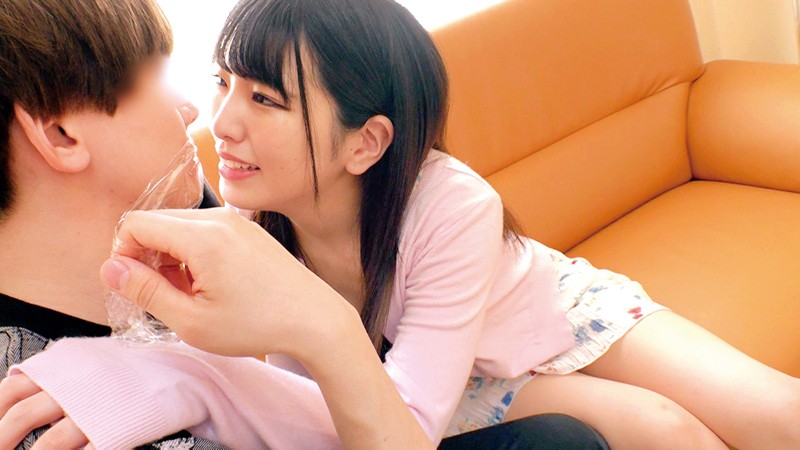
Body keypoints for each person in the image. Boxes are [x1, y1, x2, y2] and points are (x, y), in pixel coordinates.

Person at [3, 0, 798, 448]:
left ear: (367, 142)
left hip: (546, 312)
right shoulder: (238, 207)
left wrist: (198, 376)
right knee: (663, 432)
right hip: (432, 380)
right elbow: (314, 400)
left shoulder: (452, 204)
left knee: (774, 414)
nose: (218, 122)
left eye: (265, 99)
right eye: (223, 85)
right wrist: (166, 373)